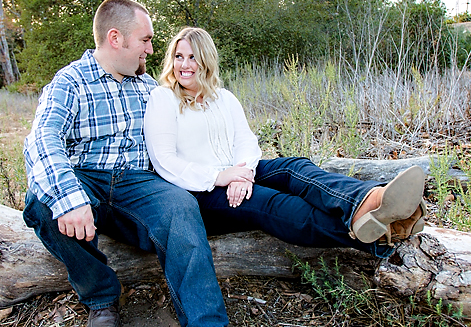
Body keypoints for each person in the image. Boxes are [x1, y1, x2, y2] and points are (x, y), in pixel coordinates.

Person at [23, 0, 281, 327]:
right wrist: (70, 198)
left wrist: (234, 167)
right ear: (116, 38)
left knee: (180, 209)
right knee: (41, 204)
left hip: (138, 183)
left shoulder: (150, 89)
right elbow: (41, 141)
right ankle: (101, 295)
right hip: (84, 177)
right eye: (144, 40)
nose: (149, 49)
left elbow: (197, 123)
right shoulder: (70, 82)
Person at [144, 27, 427, 260]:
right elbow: (165, 161)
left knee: (294, 167)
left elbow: (246, 141)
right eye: (178, 56)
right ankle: (379, 235)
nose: (184, 64)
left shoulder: (224, 98)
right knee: (275, 203)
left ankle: (365, 201)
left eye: (192, 57)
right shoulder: (163, 99)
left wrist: (241, 174)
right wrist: (220, 177)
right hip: (201, 193)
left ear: (206, 60)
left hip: (237, 174)